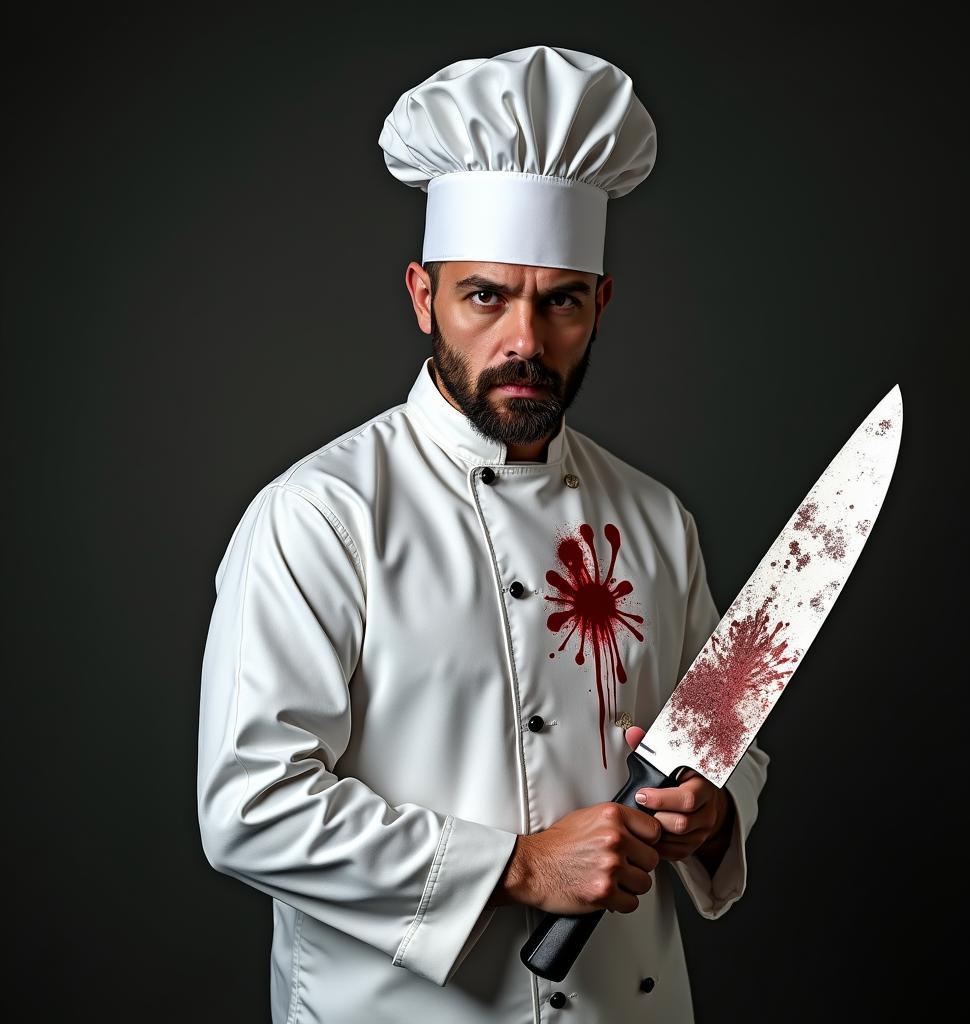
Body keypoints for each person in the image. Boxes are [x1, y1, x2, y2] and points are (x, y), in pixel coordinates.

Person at [197, 44, 769, 1024]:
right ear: (423, 296)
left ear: (600, 307)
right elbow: (250, 806)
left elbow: (725, 746)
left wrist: (710, 811)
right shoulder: (323, 513)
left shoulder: (654, 518)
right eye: (484, 296)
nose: (523, 342)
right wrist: (513, 866)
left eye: (560, 302)